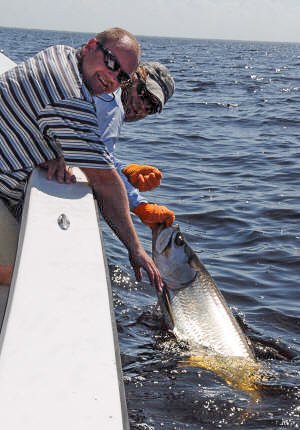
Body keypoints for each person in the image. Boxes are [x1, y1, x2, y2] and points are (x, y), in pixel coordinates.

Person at [0, 28, 162, 290]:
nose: (112, 79)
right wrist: (135, 248)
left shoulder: (60, 53)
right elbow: (105, 182)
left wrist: (55, 152)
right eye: (111, 64)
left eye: (122, 76)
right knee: (44, 273)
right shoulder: (72, 96)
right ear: (90, 46)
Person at [94, 61, 176, 230]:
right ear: (133, 76)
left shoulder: (107, 91)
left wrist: (125, 170)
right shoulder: (112, 105)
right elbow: (99, 170)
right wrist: (138, 206)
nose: (143, 107)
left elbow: (97, 154)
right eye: (145, 95)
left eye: (152, 107)